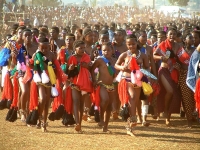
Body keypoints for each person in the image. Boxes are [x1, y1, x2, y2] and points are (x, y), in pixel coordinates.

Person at [115, 34, 149, 136]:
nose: (131, 46)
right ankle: (133, 119)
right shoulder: (124, 55)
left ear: (137, 43)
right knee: (132, 98)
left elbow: (147, 68)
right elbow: (116, 65)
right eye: (129, 44)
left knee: (134, 101)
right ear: (126, 44)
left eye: (133, 44)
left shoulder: (143, 55)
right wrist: (123, 67)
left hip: (138, 80)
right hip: (126, 80)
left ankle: (129, 127)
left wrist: (141, 71)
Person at [153, 28, 182, 126]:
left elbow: (182, 59)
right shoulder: (162, 44)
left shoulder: (178, 46)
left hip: (173, 72)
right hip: (164, 70)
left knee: (173, 94)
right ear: (167, 35)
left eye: (174, 34)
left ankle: (167, 117)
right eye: (170, 34)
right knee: (169, 91)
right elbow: (154, 56)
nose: (172, 36)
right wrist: (162, 58)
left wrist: (178, 64)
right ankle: (163, 111)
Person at [91, 42, 117, 132]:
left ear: (112, 50)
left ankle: (105, 127)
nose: (106, 52)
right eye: (104, 50)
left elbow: (115, 73)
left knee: (109, 106)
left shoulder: (114, 60)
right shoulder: (100, 60)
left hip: (111, 85)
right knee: (105, 100)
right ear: (101, 51)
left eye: (108, 50)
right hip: (102, 84)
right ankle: (100, 117)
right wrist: (94, 80)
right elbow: (92, 69)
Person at [67, 40, 92, 133]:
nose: (82, 49)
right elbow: (67, 72)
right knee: (76, 101)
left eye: (83, 48)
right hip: (74, 83)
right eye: (80, 48)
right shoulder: (71, 58)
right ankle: (77, 123)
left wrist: (87, 66)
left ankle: (80, 124)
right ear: (75, 49)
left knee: (81, 104)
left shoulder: (87, 57)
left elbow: (90, 68)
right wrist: (70, 69)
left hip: (85, 83)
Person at [178, 33, 195, 128]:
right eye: (190, 38)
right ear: (185, 40)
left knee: (194, 97)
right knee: (186, 98)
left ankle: (194, 116)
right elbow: (176, 62)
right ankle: (189, 120)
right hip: (183, 76)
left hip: (194, 76)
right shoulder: (180, 51)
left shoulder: (195, 50)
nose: (192, 40)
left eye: (193, 38)